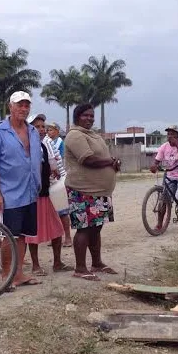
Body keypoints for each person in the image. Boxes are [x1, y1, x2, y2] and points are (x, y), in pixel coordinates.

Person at [0, 91, 42, 287]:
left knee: (23, 234)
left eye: (27, 105)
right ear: (10, 106)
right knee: (8, 235)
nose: (23, 109)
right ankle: (6, 276)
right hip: (9, 194)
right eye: (20, 105)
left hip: (30, 192)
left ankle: (19, 274)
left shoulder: (33, 132)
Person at [65, 103, 120, 281]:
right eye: (85, 115)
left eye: (91, 115)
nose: (89, 118)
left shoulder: (93, 135)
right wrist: (109, 162)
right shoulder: (75, 135)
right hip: (83, 191)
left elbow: (101, 158)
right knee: (84, 229)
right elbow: (87, 159)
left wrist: (112, 164)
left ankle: (96, 263)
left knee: (96, 228)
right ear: (77, 117)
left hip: (99, 192)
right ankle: (80, 268)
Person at [24, 114, 72, 275]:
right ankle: (36, 266)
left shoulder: (43, 146)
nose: (41, 129)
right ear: (29, 129)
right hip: (33, 196)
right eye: (37, 127)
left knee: (57, 229)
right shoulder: (25, 146)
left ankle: (57, 263)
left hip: (47, 194)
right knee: (33, 232)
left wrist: (55, 172)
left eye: (43, 126)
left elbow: (51, 165)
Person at [150, 125, 178, 228]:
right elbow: (157, 161)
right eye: (168, 134)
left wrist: (177, 147)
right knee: (163, 199)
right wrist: (154, 166)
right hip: (170, 175)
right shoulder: (164, 147)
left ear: (177, 136)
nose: (169, 136)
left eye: (172, 134)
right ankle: (159, 224)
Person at [45, 121, 72, 247]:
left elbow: (56, 161)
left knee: (61, 210)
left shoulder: (54, 142)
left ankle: (67, 237)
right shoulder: (42, 141)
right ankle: (55, 236)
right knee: (51, 211)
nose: (47, 131)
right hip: (47, 181)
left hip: (57, 179)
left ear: (56, 131)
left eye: (50, 129)